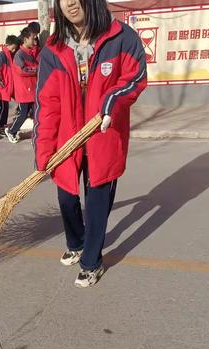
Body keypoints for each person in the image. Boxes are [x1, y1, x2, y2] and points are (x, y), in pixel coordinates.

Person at [33, 0, 146, 287]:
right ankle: (77, 241)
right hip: (67, 139)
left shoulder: (121, 37)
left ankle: (92, 261)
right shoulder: (54, 49)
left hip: (104, 135)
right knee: (66, 197)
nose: (70, 2)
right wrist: (44, 149)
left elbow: (135, 79)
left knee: (97, 203)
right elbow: (47, 103)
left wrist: (111, 102)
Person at [5, 27, 38, 144]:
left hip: (32, 90)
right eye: (33, 38)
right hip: (24, 90)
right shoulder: (20, 54)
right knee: (23, 114)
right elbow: (22, 70)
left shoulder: (31, 52)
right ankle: (11, 131)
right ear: (25, 39)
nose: (35, 40)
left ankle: (37, 135)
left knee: (36, 114)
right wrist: (37, 70)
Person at [0, 35, 20, 137]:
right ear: (9, 45)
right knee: (3, 108)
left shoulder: (8, 56)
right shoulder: (1, 56)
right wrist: (2, 85)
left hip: (5, 88)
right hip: (1, 88)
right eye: (14, 47)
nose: (14, 49)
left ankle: (1, 126)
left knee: (5, 108)